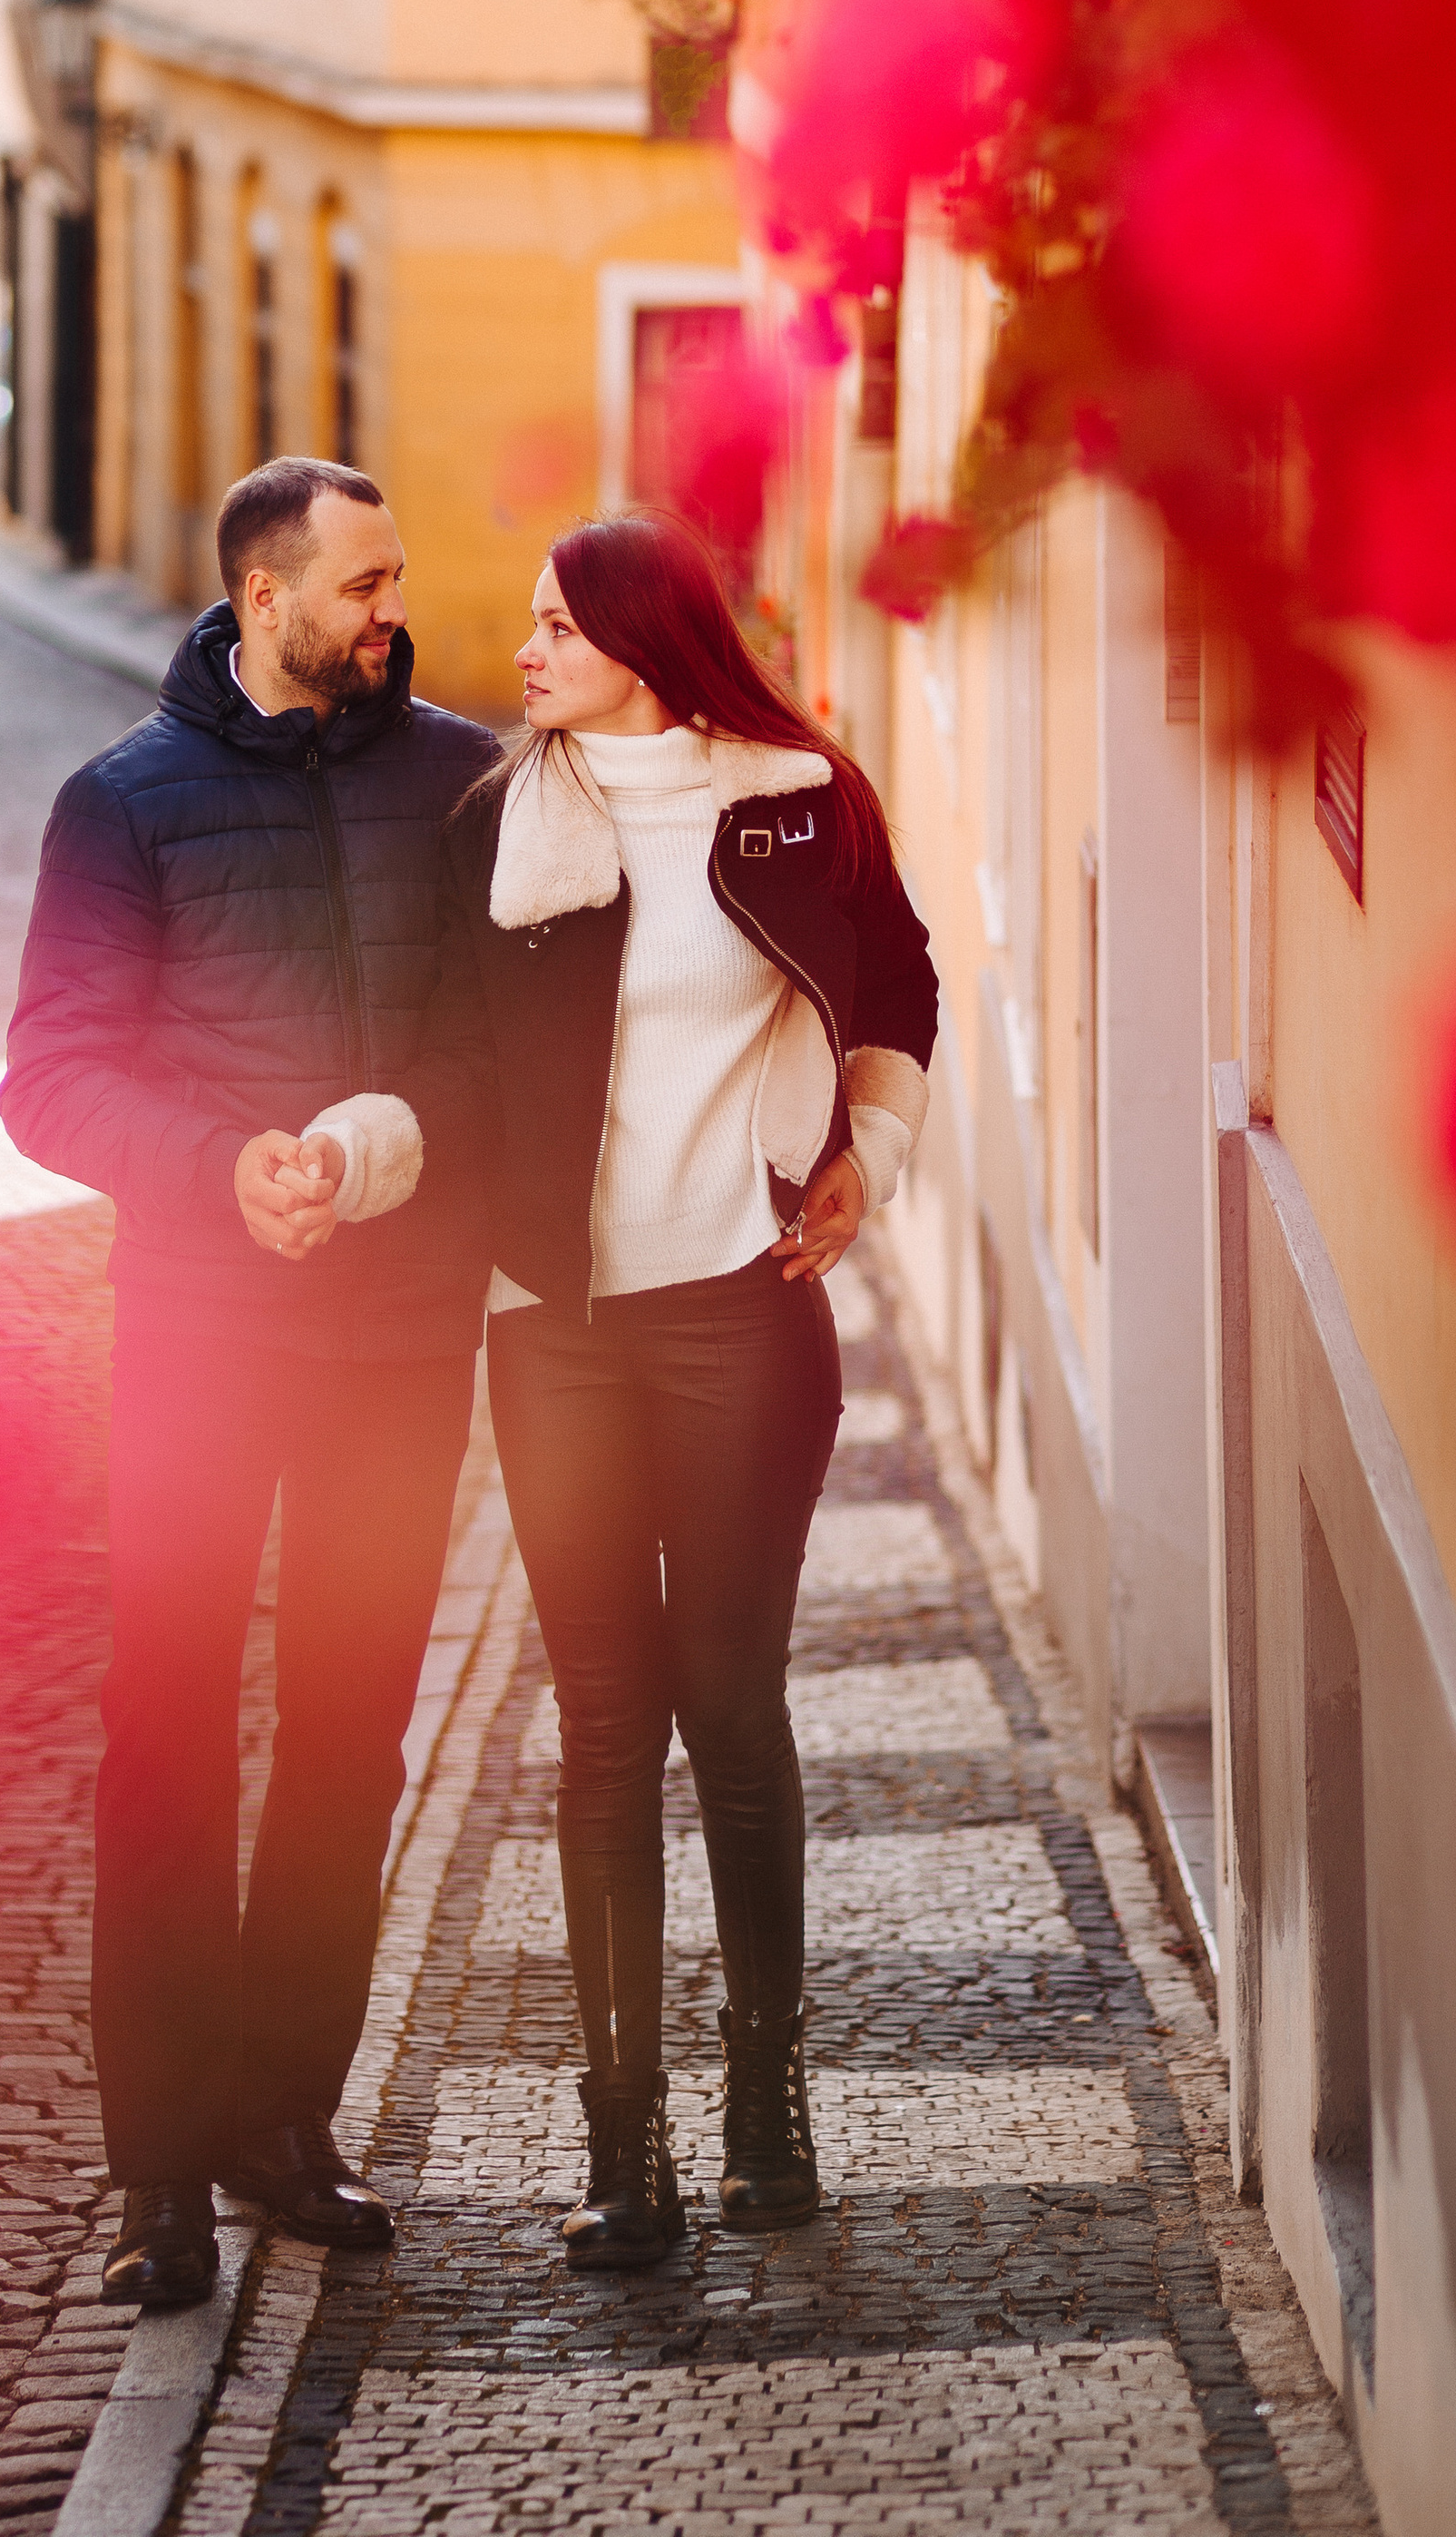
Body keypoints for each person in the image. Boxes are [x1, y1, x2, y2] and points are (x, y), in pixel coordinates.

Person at [0, 458, 498, 2312]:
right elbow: (47, 1076)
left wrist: (379, 1151)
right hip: (203, 1333)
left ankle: (285, 2122)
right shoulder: (121, 805)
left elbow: (507, 1042)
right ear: (265, 595)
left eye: (393, 578)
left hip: (399, 1335)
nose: (389, 609)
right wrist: (225, 1167)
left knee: (349, 1741)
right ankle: (157, 2180)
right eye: (360, 582)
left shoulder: (461, 782)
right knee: (168, 1744)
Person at [436, 512, 939, 2265]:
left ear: (647, 638)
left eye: (555, 625)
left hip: (739, 1311)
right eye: (527, 624)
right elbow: (435, 1056)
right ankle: (619, 2143)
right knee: (600, 1726)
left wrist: (866, 1148)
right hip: (554, 1326)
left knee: (729, 1706)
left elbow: (900, 980)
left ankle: (766, 2106)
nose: (524, 653)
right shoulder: (504, 826)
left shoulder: (800, 795)